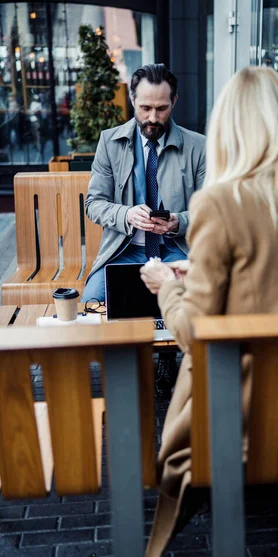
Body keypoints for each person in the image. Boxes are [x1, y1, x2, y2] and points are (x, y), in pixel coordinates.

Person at [140, 66, 278, 557]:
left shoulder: (220, 202)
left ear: (229, 127)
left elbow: (196, 332)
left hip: (244, 423)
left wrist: (165, 290)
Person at [82, 63, 206, 397]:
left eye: (161, 108)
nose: (153, 117)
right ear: (132, 101)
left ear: (174, 102)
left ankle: (166, 355)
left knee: (200, 298)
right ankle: (127, 365)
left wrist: (179, 220)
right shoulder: (110, 143)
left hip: (176, 249)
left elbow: (212, 212)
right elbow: (93, 203)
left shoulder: (198, 147)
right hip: (127, 250)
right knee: (93, 302)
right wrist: (126, 214)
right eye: (145, 108)